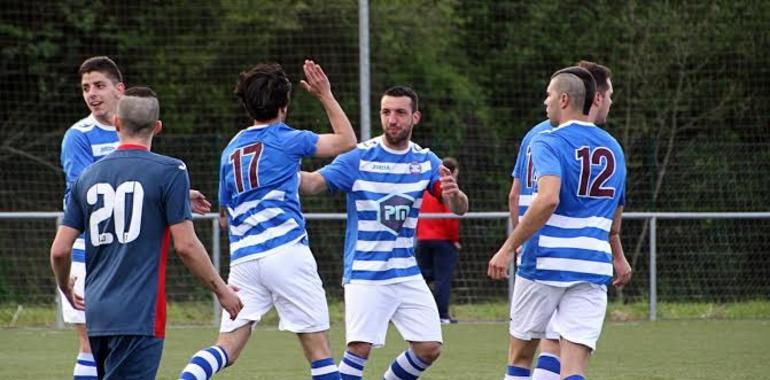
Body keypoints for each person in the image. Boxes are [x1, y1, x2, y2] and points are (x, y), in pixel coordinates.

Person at [178, 60, 356, 380]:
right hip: (286, 252)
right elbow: (346, 141)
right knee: (319, 353)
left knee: (226, 348)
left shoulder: (230, 150)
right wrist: (325, 94)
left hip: (245, 260)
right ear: (284, 105)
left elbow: (223, 214)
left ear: (248, 107)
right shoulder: (289, 139)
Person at [51, 86, 243, 380]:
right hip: (139, 314)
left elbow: (60, 250)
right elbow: (187, 246)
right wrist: (222, 290)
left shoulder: (87, 177)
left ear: (117, 123)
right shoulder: (171, 171)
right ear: (158, 127)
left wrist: (65, 287)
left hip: (98, 313)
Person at [299, 85, 469, 380]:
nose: (392, 119)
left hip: (405, 272)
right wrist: (280, 171)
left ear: (415, 117)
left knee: (429, 347)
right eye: (386, 112)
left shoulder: (425, 160)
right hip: (366, 272)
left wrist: (455, 195)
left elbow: (459, 207)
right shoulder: (359, 158)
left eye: (400, 113)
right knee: (360, 349)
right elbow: (313, 183)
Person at [489, 66, 627, 380]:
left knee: (521, 358)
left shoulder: (546, 140)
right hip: (592, 266)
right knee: (574, 369)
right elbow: (614, 223)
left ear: (564, 99)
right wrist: (617, 257)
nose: (545, 102)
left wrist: (509, 247)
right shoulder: (614, 148)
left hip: (545, 261)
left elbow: (547, 198)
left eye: (549, 95)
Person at [416, 156, 461, 324]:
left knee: (422, 278)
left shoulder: (427, 189)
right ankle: (441, 315)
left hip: (423, 238)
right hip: (443, 240)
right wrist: (454, 239)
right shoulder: (446, 192)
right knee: (443, 279)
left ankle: (419, 313)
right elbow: (451, 219)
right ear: (453, 173)